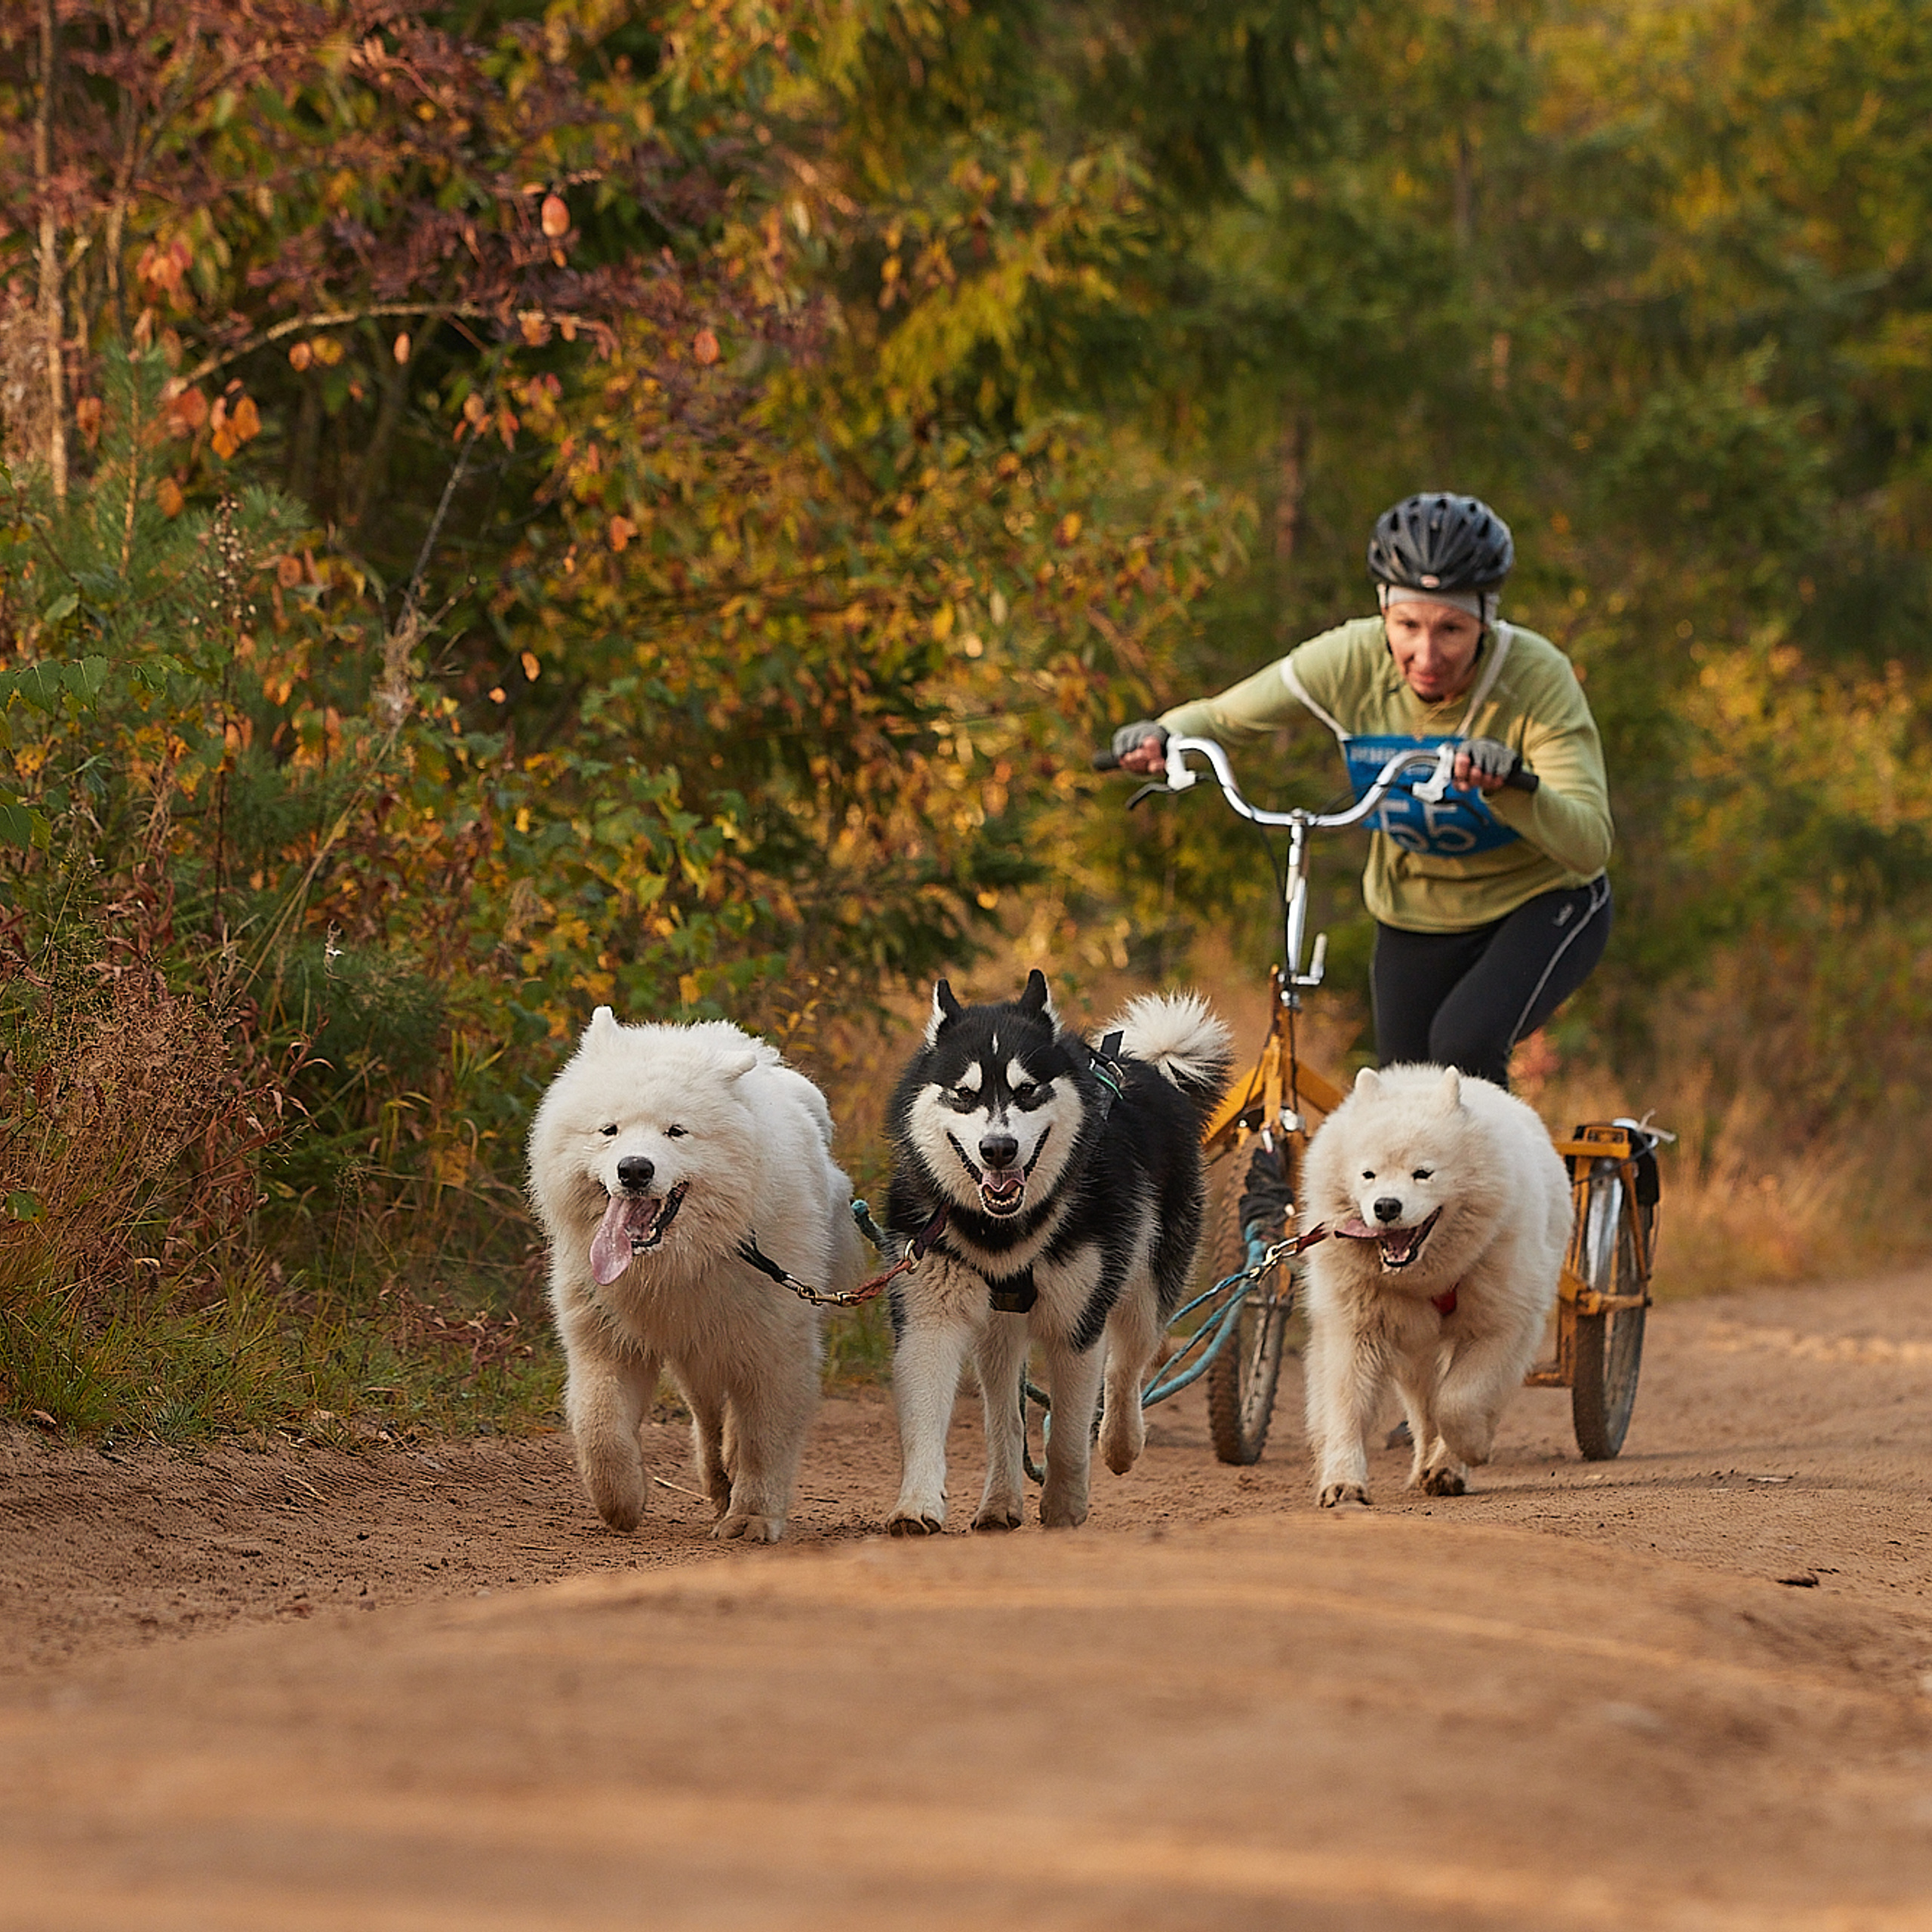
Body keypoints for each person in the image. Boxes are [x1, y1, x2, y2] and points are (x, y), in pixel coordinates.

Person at [1113, 491, 1611, 1091]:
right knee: (1402, 1092)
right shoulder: (1351, 658)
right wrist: (1164, 734)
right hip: (1413, 911)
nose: (1425, 655)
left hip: (1539, 902)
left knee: (1462, 1047)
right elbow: (1224, 718)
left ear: (1486, 618)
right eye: (1407, 626)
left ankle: (1510, 1186)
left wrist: (1510, 784)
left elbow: (1589, 845)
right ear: (1384, 614)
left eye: (1452, 629)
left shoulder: (1537, 677)